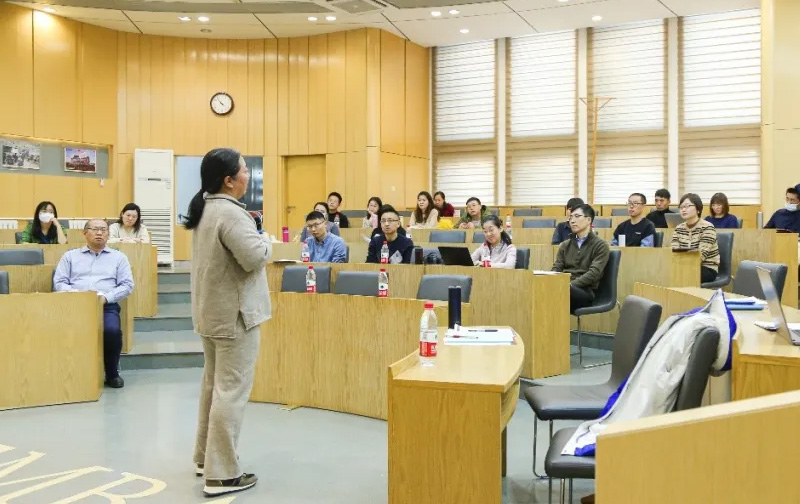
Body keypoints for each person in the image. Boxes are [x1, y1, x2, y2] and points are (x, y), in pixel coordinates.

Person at [185, 148, 271, 497]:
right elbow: (254, 258)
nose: (248, 176)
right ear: (229, 180)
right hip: (236, 318)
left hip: (211, 313)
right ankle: (221, 474)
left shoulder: (206, 207)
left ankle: (205, 458)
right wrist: (266, 240)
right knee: (231, 392)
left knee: (213, 387)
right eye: (245, 171)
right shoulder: (232, 214)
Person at [53, 219, 134, 388]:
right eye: (95, 229)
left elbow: (127, 285)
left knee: (111, 331)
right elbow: (59, 282)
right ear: (85, 233)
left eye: (103, 230)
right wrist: (78, 295)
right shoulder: (70, 256)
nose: (99, 233)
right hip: (74, 304)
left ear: (108, 234)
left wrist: (106, 298)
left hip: (105, 305)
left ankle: (112, 373)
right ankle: (70, 373)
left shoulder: (119, 258)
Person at [551, 204, 610, 312]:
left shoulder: (600, 245)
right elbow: (557, 268)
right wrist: (549, 281)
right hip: (565, 286)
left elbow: (593, 274)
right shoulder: (565, 245)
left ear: (588, 220)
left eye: (577, 216)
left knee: (555, 294)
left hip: (585, 291)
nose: (572, 221)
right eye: (570, 217)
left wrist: (568, 285)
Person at [671, 193, 720, 284]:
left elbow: (700, 256)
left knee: (680, 274)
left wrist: (681, 262)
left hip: (707, 268)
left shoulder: (707, 227)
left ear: (698, 209)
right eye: (681, 207)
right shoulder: (678, 228)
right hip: (683, 266)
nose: (683, 210)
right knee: (665, 272)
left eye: (687, 206)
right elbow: (674, 252)